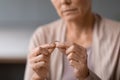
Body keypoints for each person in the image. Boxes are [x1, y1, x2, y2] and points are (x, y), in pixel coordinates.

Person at [24, 0, 120, 80]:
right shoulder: (42, 36)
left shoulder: (117, 35)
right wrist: (38, 77)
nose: (64, 1)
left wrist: (85, 76)